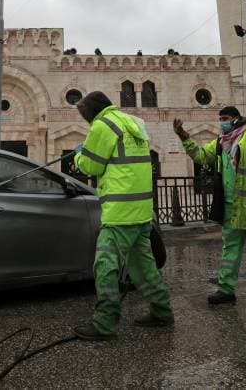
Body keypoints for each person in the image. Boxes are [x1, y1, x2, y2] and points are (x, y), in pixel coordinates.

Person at [71, 91, 174, 340]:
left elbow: (91, 166)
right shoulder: (132, 122)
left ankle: (104, 323)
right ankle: (162, 311)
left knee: (105, 265)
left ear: (90, 113)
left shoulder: (102, 126)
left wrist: (78, 154)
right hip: (141, 209)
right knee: (143, 266)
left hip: (120, 211)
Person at [173, 106, 246, 306]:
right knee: (230, 250)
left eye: (224, 118)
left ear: (236, 119)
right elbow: (199, 156)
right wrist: (183, 136)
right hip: (232, 208)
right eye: (220, 118)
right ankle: (225, 290)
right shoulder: (220, 144)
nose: (221, 122)